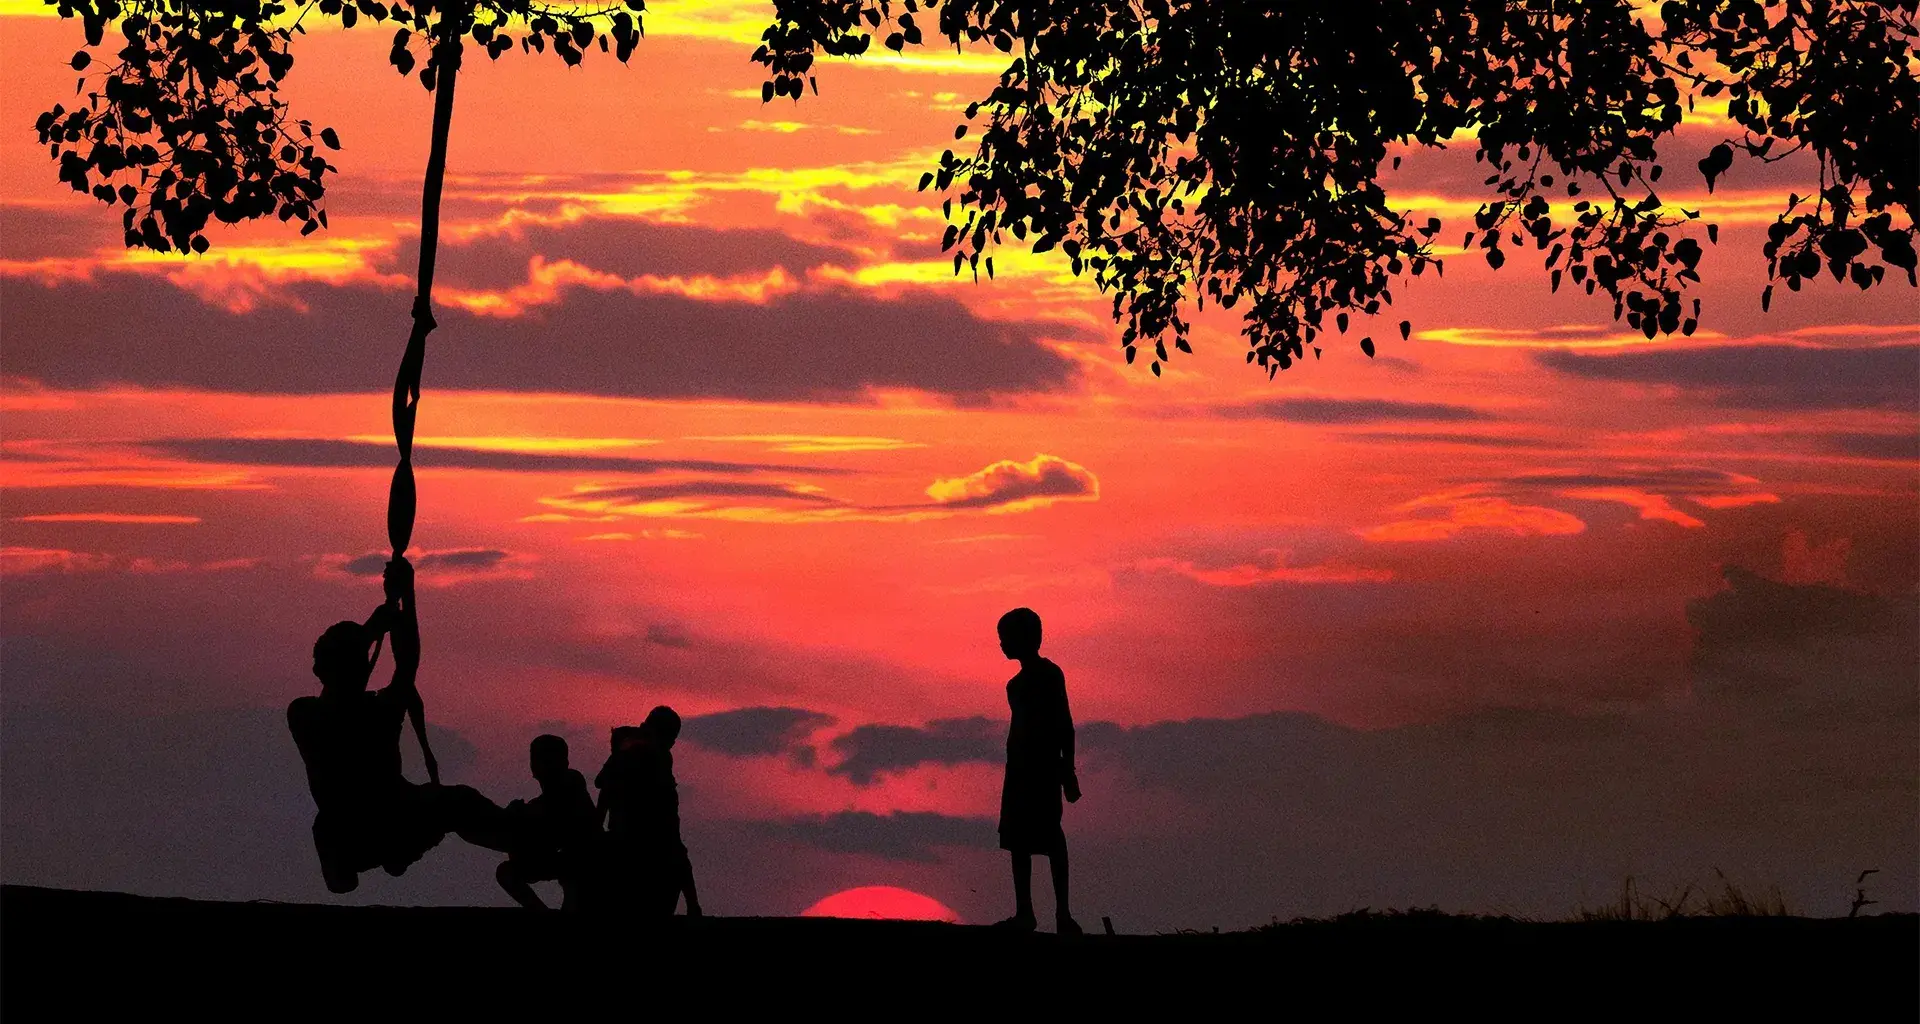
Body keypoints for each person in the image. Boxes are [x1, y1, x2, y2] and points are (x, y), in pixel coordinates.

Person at [288, 556, 510, 893]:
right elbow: (403, 667)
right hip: (360, 828)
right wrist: (384, 617)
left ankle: (522, 843)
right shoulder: (310, 714)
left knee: (459, 801)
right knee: (453, 803)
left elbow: (406, 664)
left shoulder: (327, 712)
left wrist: (405, 597)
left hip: (387, 822)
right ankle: (519, 841)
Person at [992, 607, 1081, 934]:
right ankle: (1025, 912)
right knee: (1018, 840)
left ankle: (1063, 914)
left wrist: (1067, 769)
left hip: (1042, 768)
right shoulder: (1014, 684)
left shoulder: (1049, 675)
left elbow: (1064, 723)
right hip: (1018, 768)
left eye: (1006, 637)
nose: (1002, 644)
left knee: (1051, 836)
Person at [594, 707, 701, 918]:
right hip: (639, 857)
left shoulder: (632, 753)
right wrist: (692, 903)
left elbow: (602, 786)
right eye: (669, 738)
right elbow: (674, 843)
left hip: (633, 853)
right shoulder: (642, 757)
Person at [496, 734, 600, 911]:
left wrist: (521, 812)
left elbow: (554, 809)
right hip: (563, 858)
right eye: (539, 759)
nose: (542, 765)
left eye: (547, 759)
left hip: (584, 859)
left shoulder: (572, 781)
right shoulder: (548, 798)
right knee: (506, 872)